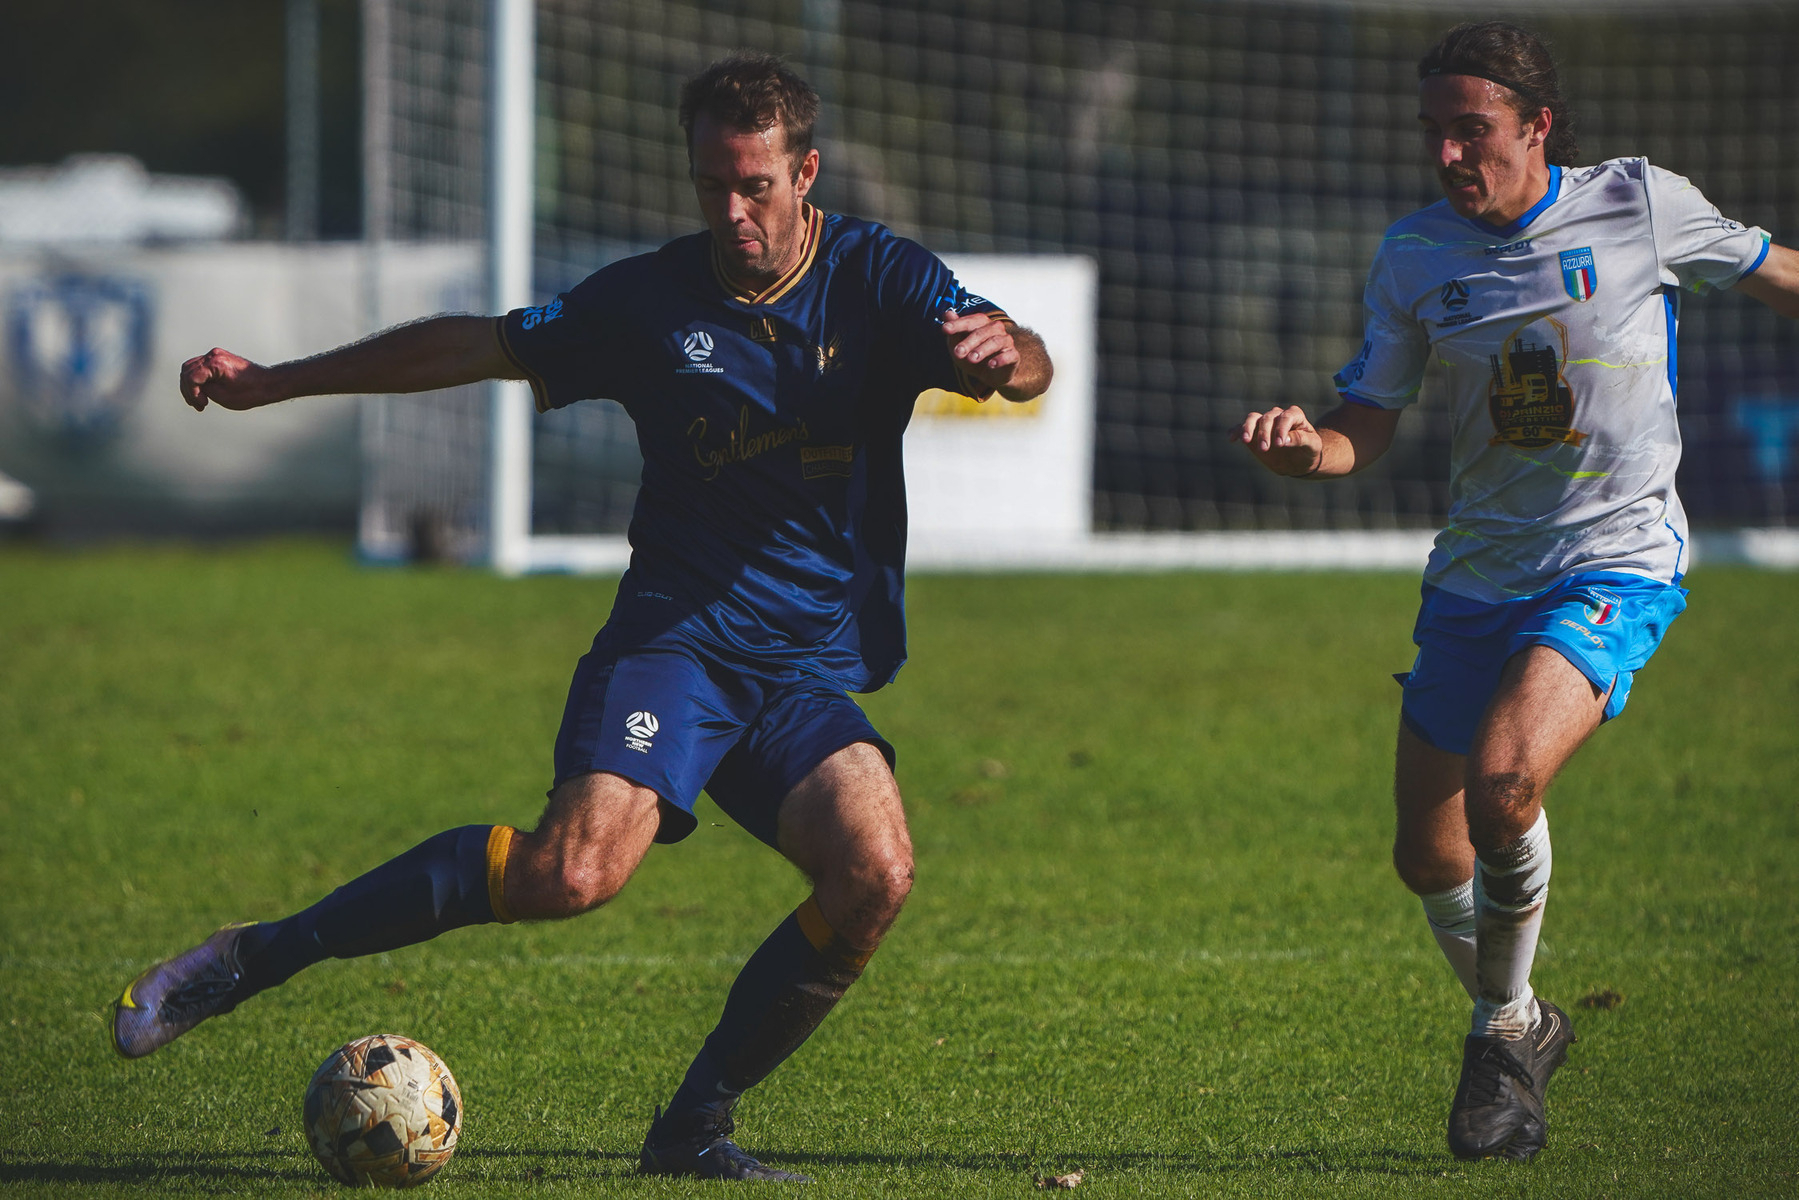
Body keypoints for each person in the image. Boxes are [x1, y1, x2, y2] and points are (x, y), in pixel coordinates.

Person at [115, 52, 1051, 1183]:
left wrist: (1008, 356)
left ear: (805, 174)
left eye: (755, 185)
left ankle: (691, 1130)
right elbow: (473, 343)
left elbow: (1021, 355)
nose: (732, 210)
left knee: (874, 874)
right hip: (677, 646)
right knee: (571, 876)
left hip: (799, 670)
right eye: (711, 184)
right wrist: (276, 383)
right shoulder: (650, 303)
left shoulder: (878, 277)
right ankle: (255, 957)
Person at [1236, 21, 1798, 1163]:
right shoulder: (1411, 257)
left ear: (1536, 126)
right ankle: (1526, 1020)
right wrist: (1310, 451)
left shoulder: (1638, 202)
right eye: (1432, 133)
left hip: (1614, 555)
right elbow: (1367, 422)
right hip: (1475, 572)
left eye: (1470, 130)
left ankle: (1498, 1036)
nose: (1447, 154)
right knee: (1428, 856)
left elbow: (1776, 273)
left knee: (1502, 787)